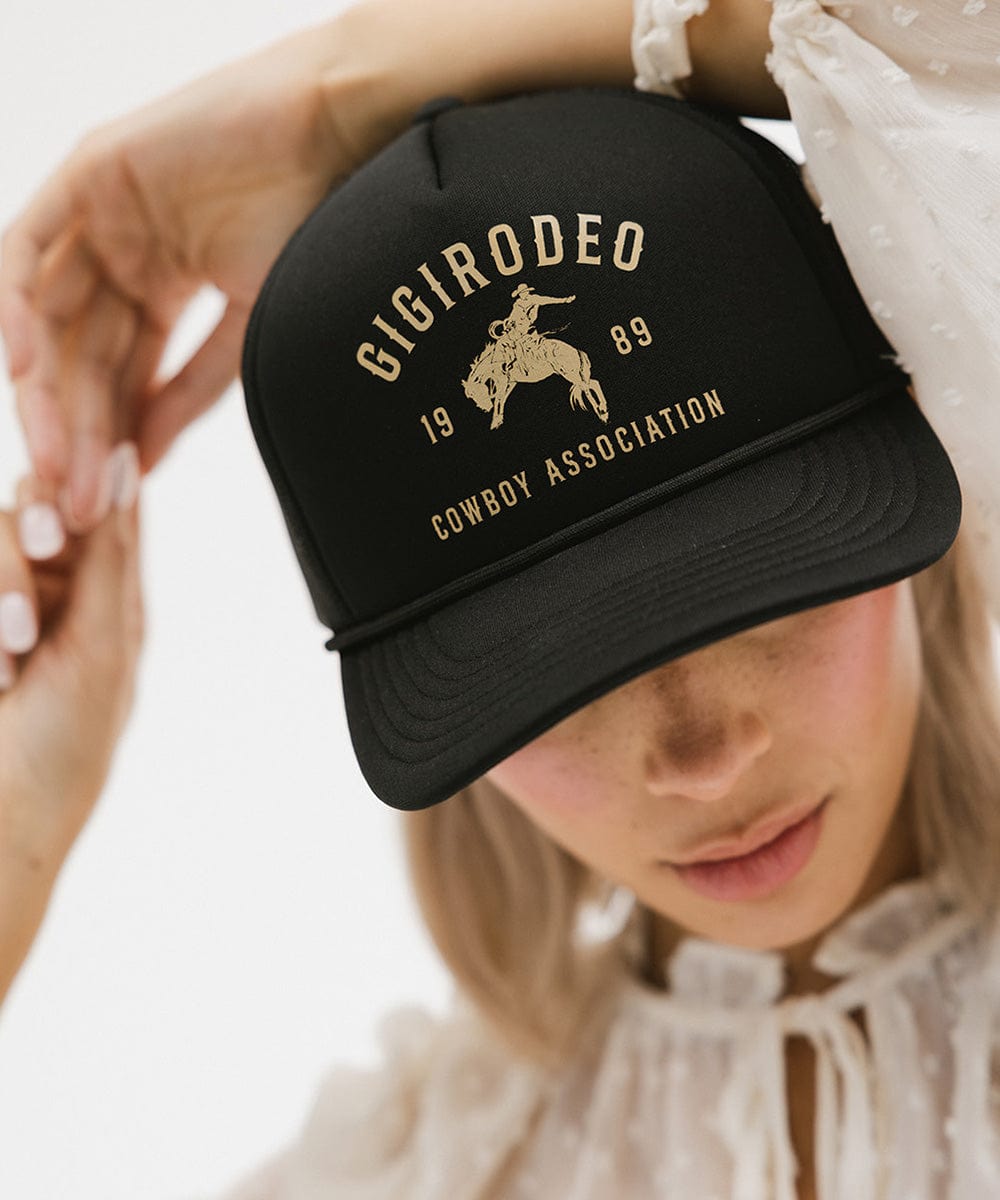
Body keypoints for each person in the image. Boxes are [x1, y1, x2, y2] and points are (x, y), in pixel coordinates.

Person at [0, 5, 997, 1200]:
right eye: (552, 669)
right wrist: (18, 834)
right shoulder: (432, 1167)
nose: (703, 754)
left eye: (761, 600)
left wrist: (337, 83)